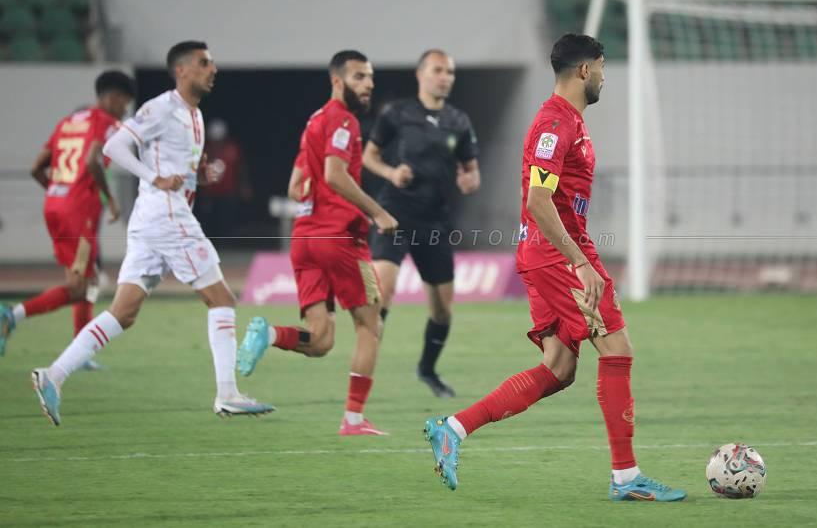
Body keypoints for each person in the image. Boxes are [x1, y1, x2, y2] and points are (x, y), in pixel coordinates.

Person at [422, 34, 687, 502]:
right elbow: (538, 201)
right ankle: (626, 477)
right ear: (585, 70)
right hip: (556, 254)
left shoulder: (569, 123)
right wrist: (581, 263)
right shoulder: (554, 124)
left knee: (560, 369)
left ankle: (454, 428)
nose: (605, 76)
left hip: (550, 252)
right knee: (618, 347)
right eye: (602, 67)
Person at [29, 41, 274, 426]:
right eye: (204, 62)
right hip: (166, 216)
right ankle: (228, 394)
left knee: (124, 313)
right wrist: (153, 177)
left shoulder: (194, 115)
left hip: (153, 221)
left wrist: (201, 176)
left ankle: (53, 376)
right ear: (182, 70)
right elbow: (114, 146)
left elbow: (179, 169)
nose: (213, 69)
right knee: (222, 299)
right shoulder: (161, 108)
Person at [237, 51, 398, 436]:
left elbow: (295, 184)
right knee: (370, 325)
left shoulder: (315, 121)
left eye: (371, 77)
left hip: (304, 239)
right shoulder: (344, 121)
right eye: (360, 77)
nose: (369, 84)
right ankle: (354, 419)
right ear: (338, 81)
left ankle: (269, 334)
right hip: (339, 238)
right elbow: (335, 174)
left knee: (321, 339)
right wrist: (377, 211)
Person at [362, 49, 480, 398]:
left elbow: (472, 171)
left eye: (450, 72)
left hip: (434, 222)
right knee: (383, 290)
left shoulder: (459, 122)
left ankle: (427, 370)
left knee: (442, 310)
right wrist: (390, 172)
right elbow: (370, 156)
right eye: (438, 70)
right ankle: (362, 376)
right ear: (421, 74)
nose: (445, 77)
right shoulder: (396, 114)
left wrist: (470, 181)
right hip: (395, 214)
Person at [1, 71, 135, 367]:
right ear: (114, 97)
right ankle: (12, 314)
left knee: (86, 280)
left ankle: (81, 348)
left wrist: (59, 194)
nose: (125, 110)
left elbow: (36, 167)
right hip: (80, 212)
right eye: (125, 103)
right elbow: (92, 160)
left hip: (55, 205)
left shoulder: (68, 121)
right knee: (78, 287)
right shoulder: (107, 122)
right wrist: (108, 199)